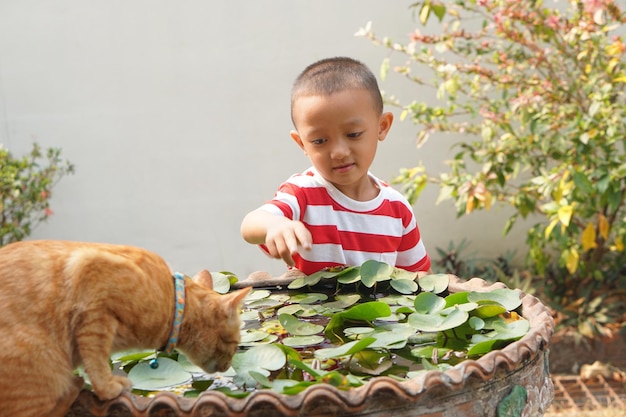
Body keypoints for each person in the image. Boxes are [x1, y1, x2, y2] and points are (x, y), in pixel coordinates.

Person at [241, 56, 431, 276]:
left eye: (353, 134)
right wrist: (275, 225)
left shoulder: (397, 209)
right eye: (320, 141)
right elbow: (250, 224)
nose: (339, 152)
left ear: (382, 126)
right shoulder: (302, 193)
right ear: (302, 143)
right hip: (308, 311)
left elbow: (421, 277)